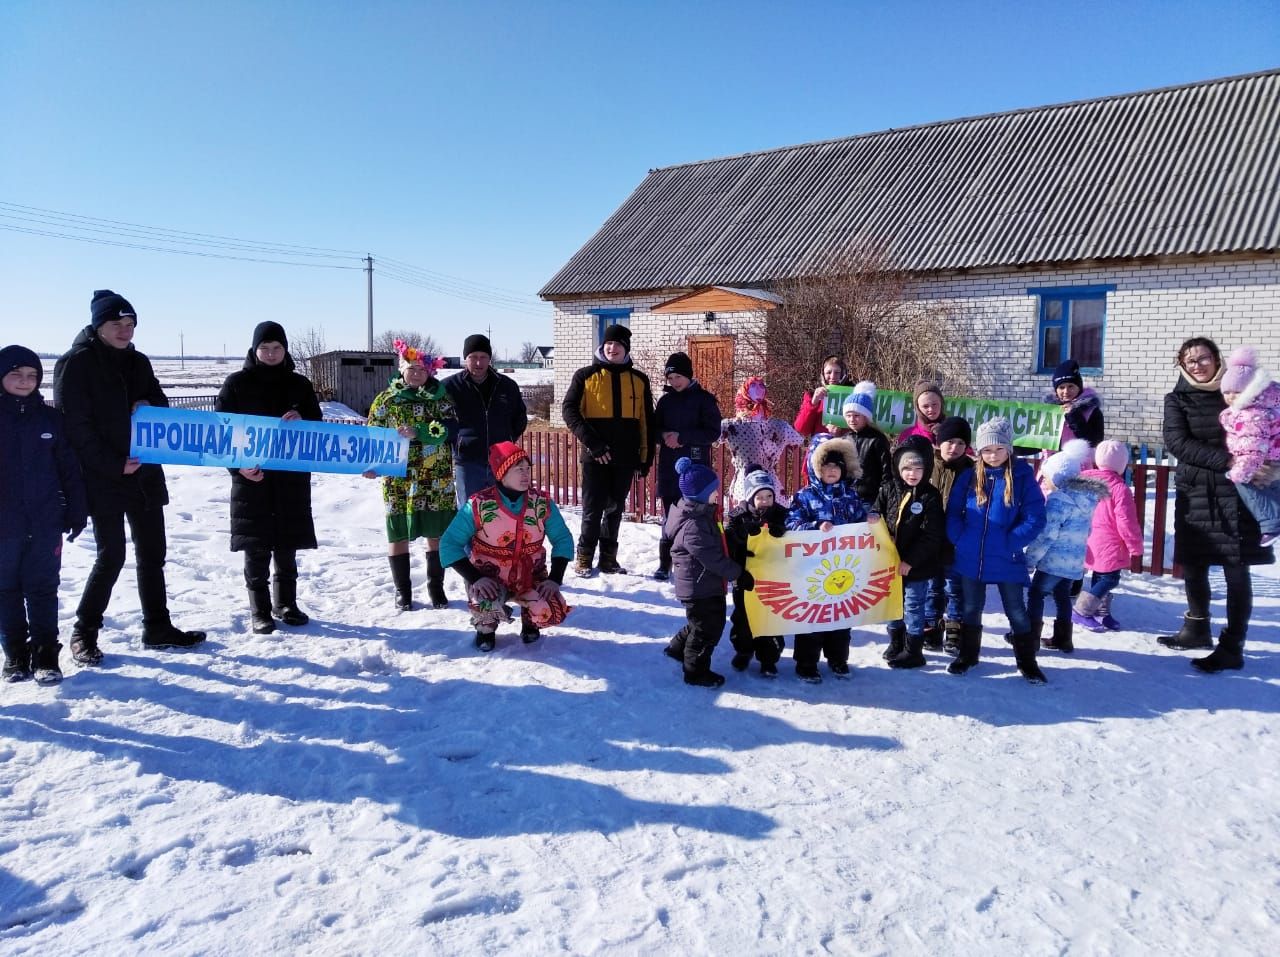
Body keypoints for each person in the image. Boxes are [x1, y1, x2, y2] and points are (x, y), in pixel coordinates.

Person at [53, 290, 207, 663]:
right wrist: (112, 463)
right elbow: (76, 427)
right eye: (116, 324)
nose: (125, 330)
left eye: (130, 324)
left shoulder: (138, 362)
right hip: (104, 476)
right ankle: (84, 632)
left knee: (153, 552)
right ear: (98, 325)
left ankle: (157, 626)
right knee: (112, 554)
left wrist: (148, 404)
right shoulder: (76, 364)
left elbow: (162, 406)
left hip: (145, 473)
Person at [1158, 337, 1274, 672]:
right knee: (1193, 564)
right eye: (1189, 360)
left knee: (1235, 568)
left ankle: (1233, 645)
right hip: (1195, 493)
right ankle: (1196, 627)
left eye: (1203, 358)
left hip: (1238, 493)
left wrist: (1260, 463)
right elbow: (1178, 443)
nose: (1197, 365)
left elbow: (1266, 427)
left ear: (1216, 358)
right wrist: (1231, 460)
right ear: (1182, 364)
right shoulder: (1177, 399)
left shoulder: (1240, 390)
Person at [215, 321, 323, 634]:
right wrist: (238, 468)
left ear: (285, 350)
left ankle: (286, 603)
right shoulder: (236, 384)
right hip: (252, 480)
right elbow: (221, 433)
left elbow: (318, 425)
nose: (271, 353)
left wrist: (303, 419)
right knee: (257, 546)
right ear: (254, 349)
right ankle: (259, 610)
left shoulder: (300, 385)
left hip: (290, 479)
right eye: (265, 348)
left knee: (287, 544)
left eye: (277, 348)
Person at [0, 346, 87, 684]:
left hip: (45, 522)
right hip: (4, 527)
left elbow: (69, 469)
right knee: (5, 590)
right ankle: (15, 657)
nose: (25, 381)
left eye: (32, 376)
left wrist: (77, 511)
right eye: (16, 374)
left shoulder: (51, 420)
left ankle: (46, 656)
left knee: (42, 589)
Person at [440, 442, 572, 652]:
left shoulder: (541, 503)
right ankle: (486, 629)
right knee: (484, 602)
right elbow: (449, 544)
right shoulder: (479, 505)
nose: (525, 474)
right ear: (501, 473)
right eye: (518, 469)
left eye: (527, 468)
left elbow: (563, 539)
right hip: (489, 579)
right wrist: (475, 577)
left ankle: (530, 622)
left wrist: (555, 578)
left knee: (553, 608)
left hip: (529, 575)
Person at [946, 416, 1047, 682]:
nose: (993, 455)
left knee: (1015, 609)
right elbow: (954, 512)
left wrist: (1011, 542)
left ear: (1009, 449)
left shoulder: (1022, 476)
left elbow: (1035, 517)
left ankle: (1027, 662)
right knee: (970, 607)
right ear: (979, 451)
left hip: (1006, 557)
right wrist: (960, 538)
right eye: (987, 450)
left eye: (999, 449)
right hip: (970, 556)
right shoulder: (969, 476)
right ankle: (968, 655)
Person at [365, 339, 459, 610]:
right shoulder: (386, 399)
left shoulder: (441, 398)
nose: (416, 373)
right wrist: (370, 465)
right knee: (398, 533)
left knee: (436, 532)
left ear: (429, 372)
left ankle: (436, 589)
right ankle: (402, 592)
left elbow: (450, 428)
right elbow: (372, 434)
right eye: (411, 368)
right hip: (399, 477)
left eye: (421, 369)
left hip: (435, 475)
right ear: (401, 370)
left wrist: (419, 430)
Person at [561, 324, 655, 576]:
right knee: (592, 510)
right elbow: (569, 411)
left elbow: (647, 420)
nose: (612, 348)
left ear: (626, 348)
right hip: (595, 457)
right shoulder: (585, 376)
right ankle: (584, 557)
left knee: (615, 510)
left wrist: (645, 457)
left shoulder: (639, 380)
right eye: (608, 344)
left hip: (625, 458)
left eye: (618, 344)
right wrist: (594, 443)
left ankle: (608, 559)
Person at [786, 434, 868, 682]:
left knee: (841, 619)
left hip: (843, 569)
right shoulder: (804, 497)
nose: (831, 471)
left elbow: (860, 523)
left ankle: (838, 659)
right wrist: (814, 525)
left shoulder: (851, 497)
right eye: (826, 466)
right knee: (813, 619)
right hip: (812, 570)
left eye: (836, 466)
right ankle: (806, 663)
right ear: (815, 467)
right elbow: (791, 523)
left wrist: (869, 520)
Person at [662, 457, 744, 687]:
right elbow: (713, 558)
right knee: (707, 629)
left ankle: (677, 649)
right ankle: (695, 671)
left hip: (701, 584)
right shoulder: (693, 525)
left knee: (699, 622)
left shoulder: (700, 514)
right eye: (713, 491)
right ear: (699, 494)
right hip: (700, 587)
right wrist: (738, 574)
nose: (717, 494)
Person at [869, 436, 946, 669]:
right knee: (893, 603)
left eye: (918, 468)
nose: (912, 473)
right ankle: (896, 642)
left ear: (927, 468)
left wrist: (910, 561)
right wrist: (873, 519)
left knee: (913, 605)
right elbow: (876, 512)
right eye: (906, 468)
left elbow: (931, 535)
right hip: (890, 562)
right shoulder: (888, 489)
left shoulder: (930, 496)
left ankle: (914, 650)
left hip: (917, 566)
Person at [1023, 440, 1106, 654]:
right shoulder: (1086, 499)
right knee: (1062, 596)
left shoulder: (1058, 501)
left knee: (1036, 594)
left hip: (1052, 562)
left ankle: (1028, 637)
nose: (1046, 482)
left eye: (1047, 477)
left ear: (1057, 477)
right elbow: (1086, 531)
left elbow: (1046, 535)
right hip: (1073, 563)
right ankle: (1063, 639)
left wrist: (1030, 559)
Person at [651, 352, 722, 580]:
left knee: (697, 514)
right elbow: (653, 429)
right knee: (670, 513)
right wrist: (663, 436)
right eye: (670, 378)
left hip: (696, 467)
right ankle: (665, 562)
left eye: (678, 377)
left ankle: (701, 559)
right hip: (669, 467)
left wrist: (683, 437)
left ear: (688, 376)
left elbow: (713, 432)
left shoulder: (704, 399)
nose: (673, 382)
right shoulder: (665, 401)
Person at [445, 333, 527, 506]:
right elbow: (441, 421)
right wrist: (457, 443)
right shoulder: (449, 387)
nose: (478, 363)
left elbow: (519, 418)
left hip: (502, 461)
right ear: (465, 358)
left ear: (489, 358)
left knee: (501, 510)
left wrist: (507, 441)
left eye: (483, 357)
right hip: (468, 461)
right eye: (473, 357)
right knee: (470, 511)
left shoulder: (506, 385)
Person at [724, 466, 789, 677]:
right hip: (746, 579)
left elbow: (796, 542)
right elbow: (728, 546)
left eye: (769, 495)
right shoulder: (738, 516)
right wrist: (741, 536)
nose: (765, 501)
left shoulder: (781, 514)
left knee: (771, 619)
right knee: (743, 618)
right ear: (750, 497)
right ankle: (743, 651)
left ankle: (769, 658)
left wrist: (783, 534)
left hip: (773, 578)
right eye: (759, 496)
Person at [1074, 439, 1143, 632]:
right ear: (1122, 465)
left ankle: (1101, 612)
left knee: (1100, 576)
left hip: (1089, 539)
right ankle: (1081, 610)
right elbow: (1126, 521)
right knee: (1110, 579)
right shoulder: (1120, 489)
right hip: (1109, 542)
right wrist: (1135, 545)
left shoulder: (1084, 481)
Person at [1218, 346, 1280, 547]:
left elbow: (1253, 445)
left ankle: (1270, 524)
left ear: (1250, 391)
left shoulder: (1251, 414)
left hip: (1261, 459)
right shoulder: (1264, 405)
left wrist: (1241, 471)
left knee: (1245, 483)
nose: (1230, 397)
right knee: (1272, 490)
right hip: (1272, 457)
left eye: (1236, 392)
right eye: (1226, 392)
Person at [928, 415, 974, 653]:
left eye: (960, 443)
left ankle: (954, 629)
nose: (954, 448)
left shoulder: (973, 471)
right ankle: (932, 626)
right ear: (938, 442)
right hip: (931, 539)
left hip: (957, 541)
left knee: (954, 587)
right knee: (932, 586)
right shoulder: (928, 465)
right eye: (949, 442)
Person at [721, 376, 803, 507]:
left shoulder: (778, 425)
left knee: (774, 519)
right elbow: (711, 437)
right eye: (753, 386)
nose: (758, 389)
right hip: (745, 481)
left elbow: (798, 441)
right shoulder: (732, 425)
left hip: (770, 480)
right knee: (747, 517)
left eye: (761, 385)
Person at [840, 382, 893, 506]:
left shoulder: (877, 439)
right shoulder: (845, 438)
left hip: (870, 498)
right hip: (847, 497)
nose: (852, 419)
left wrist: (883, 497)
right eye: (848, 415)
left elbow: (886, 471)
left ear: (866, 416)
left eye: (856, 415)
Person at [1049, 359, 1104, 448]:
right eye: (1061, 387)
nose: (1066, 391)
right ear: (1056, 390)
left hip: (1080, 461)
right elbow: (1037, 444)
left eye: (1071, 386)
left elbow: (1095, 442)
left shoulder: (1092, 411)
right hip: (1052, 460)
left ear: (1079, 387)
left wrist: (1074, 417)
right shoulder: (1049, 410)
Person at [793, 355, 850, 438]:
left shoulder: (851, 395)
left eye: (837, 373)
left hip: (843, 445)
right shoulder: (812, 395)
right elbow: (802, 429)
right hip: (819, 447)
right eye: (828, 372)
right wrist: (813, 403)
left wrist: (842, 428)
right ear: (823, 375)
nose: (833, 377)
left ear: (843, 374)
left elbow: (859, 424)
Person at [897, 380, 948, 445]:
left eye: (934, 404)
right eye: (925, 406)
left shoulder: (955, 431)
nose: (931, 409)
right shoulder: (908, 435)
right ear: (918, 408)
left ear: (941, 403)